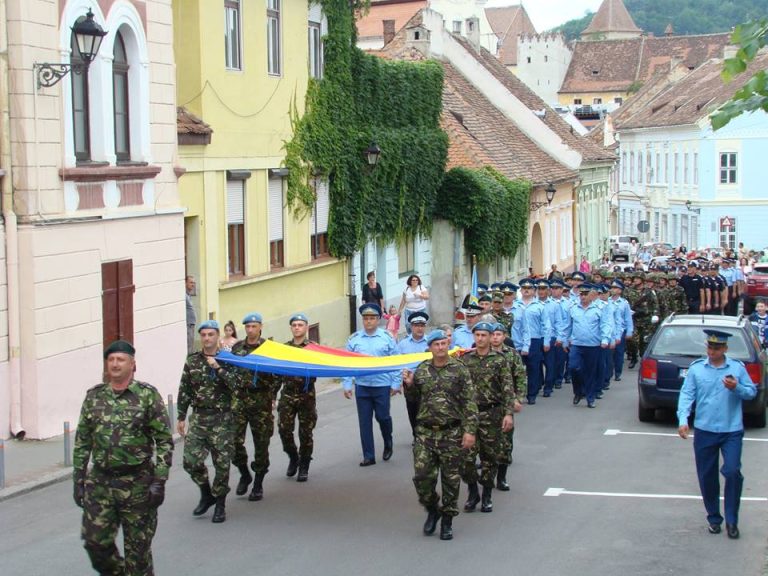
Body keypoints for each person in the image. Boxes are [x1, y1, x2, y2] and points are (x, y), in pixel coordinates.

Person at [73, 340, 173, 575]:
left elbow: (164, 441)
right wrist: (78, 480)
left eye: (121, 360)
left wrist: (159, 481)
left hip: (137, 483)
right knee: (96, 544)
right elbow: (82, 441)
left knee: (137, 555)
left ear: (133, 364)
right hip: (100, 483)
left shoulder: (147, 396)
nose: (115, 364)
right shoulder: (94, 397)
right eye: (111, 360)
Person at [677, 330, 757, 539]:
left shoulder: (737, 368)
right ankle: (714, 517)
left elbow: (751, 392)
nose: (712, 352)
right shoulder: (697, 369)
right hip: (705, 430)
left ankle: (732, 520)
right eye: (710, 348)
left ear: (725, 349)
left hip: (731, 430)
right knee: (707, 475)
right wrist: (683, 420)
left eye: (717, 348)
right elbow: (687, 394)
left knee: (732, 471)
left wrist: (736, 387)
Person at [403, 329, 478, 541]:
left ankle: (447, 519)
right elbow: (414, 398)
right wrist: (408, 385)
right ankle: (432, 508)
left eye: (443, 344)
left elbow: (469, 402)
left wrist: (470, 431)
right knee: (422, 477)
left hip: (451, 432)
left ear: (448, 344)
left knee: (451, 480)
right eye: (436, 344)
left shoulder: (459, 370)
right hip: (426, 433)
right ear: (430, 347)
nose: (440, 348)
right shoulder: (423, 370)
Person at [177, 320, 240, 523]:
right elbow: (185, 388)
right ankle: (206, 493)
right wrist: (180, 416)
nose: (206, 338)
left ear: (217, 336)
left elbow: (237, 386)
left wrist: (219, 368)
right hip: (199, 418)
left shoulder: (228, 359)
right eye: (203, 335)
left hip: (222, 418)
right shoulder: (193, 361)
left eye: (210, 335)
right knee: (190, 461)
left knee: (221, 463)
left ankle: (220, 502)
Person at [459, 321, 514, 515]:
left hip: (492, 414)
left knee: (490, 458)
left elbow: (507, 389)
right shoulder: (465, 359)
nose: (480, 339)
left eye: (484, 335)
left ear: (491, 337)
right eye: (478, 335)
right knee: (465, 458)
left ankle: (487, 495)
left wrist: (508, 414)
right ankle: (473, 491)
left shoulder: (500, 360)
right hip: (470, 415)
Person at [230, 313, 278, 501]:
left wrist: (273, 395)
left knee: (261, 443)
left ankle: (258, 482)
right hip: (240, 400)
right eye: (247, 327)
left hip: (261, 401)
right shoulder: (237, 348)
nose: (250, 330)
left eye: (253, 326)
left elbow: (278, 374)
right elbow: (230, 370)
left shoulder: (268, 349)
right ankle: (244, 472)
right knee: (234, 442)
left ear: (260, 327)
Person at [343, 303, 400, 466]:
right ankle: (369, 455)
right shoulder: (354, 340)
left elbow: (395, 361)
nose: (368, 321)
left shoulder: (387, 338)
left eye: (372, 318)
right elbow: (346, 363)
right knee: (364, 422)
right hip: (363, 386)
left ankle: (388, 440)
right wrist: (347, 384)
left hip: (382, 385)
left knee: (383, 417)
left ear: (378, 320)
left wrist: (396, 382)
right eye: (366, 318)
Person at [276, 313, 318, 482]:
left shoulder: (313, 348)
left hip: (306, 396)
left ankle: (304, 466)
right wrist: (273, 395)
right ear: (291, 328)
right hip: (287, 395)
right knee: (284, 430)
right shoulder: (285, 349)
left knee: (306, 433)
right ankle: (293, 457)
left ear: (306, 327)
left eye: (300, 325)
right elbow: (277, 372)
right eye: (294, 325)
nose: (297, 328)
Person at [562, 284, 612, 408]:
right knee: (573, 367)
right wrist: (564, 340)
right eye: (581, 294)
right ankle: (578, 392)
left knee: (590, 372)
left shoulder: (599, 308)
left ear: (592, 295)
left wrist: (605, 339)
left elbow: (605, 325)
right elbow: (568, 325)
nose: (583, 296)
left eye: (586, 294)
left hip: (593, 345)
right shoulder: (573, 308)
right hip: (577, 344)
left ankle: (590, 397)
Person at [397, 311, 430, 436]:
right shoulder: (403, 344)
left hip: (427, 381)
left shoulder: (430, 342)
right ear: (411, 326)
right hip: (410, 383)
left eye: (422, 325)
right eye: (416, 325)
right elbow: (398, 364)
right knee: (412, 410)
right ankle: (416, 435)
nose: (419, 328)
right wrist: (398, 381)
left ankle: (424, 436)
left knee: (427, 409)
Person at [185, 275, 197, 354]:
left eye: (194, 283)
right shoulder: (184, 295)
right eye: (191, 282)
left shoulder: (188, 294)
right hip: (188, 324)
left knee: (191, 343)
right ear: (185, 283)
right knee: (189, 344)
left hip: (191, 324)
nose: (193, 285)